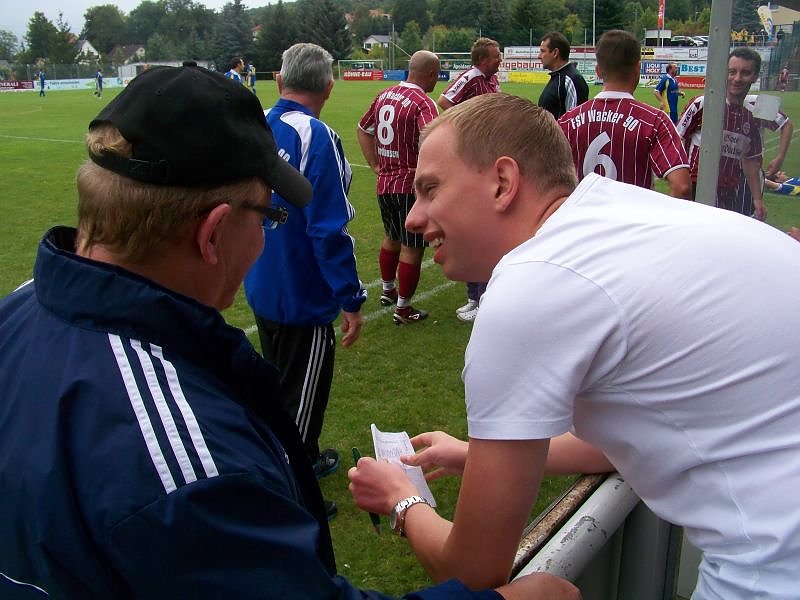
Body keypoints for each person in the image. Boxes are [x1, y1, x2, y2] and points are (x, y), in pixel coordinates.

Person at [0, 61, 579, 600]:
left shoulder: (17, 313)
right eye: (268, 217)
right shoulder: (190, 462)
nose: (264, 238)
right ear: (212, 235)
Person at [348, 92, 800, 599]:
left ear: (503, 182)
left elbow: (473, 572)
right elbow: (627, 439)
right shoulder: (621, 215)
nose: (413, 217)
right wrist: (475, 455)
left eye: (430, 189)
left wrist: (402, 500)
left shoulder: (533, 284)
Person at [244, 43, 367, 520]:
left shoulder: (257, 125)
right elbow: (328, 229)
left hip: (262, 282)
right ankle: (291, 497)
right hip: (302, 295)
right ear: (329, 87)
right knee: (301, 401)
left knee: (278, 383)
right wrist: (350, 298)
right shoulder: (316, 135)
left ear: (279, 80)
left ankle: (304, 460)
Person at [357, 50, 440, 325]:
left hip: (385, 182)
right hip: (409, 185)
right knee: (412, 246)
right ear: (430, 74)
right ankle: (403, 309)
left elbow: (363, 129)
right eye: (436, 75)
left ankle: (387, 290)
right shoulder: (423, 103)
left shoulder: (385, 95)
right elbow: (433, 140)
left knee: (391, 237)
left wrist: (374, 164)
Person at [558, 30, 691, 199]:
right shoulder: (654, 121)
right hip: (633, 215)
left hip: (583, 216)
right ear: (638, 68)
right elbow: (682, 187)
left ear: (598, 71)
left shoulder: (566, 122)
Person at [438, 37, 501, 322]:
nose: (500, 60)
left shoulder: (491, 79)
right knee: (474, 227)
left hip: (488, 159)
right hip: (473, 162)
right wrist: (468, 130)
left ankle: (481, 297)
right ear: (482, 60)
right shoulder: (471, 77)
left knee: (484, 228)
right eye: (496, 56)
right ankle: (476, 298)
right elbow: (444, 101)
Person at [676, 47, 765, 219]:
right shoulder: (703, 105)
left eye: (745, 73)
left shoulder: (751, 118)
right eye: (732, 72)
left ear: (755, 76)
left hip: (729, 193)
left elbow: (750, 161)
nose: (737, 78)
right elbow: (676, 139)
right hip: (696, 187)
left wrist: (757, 199)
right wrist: (679, 184)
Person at [538, 31, 589, 119]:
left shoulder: (573, 79)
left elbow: (575, 121)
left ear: (555, 52)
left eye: (543, 51)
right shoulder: (557, 77)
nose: (539, 56)